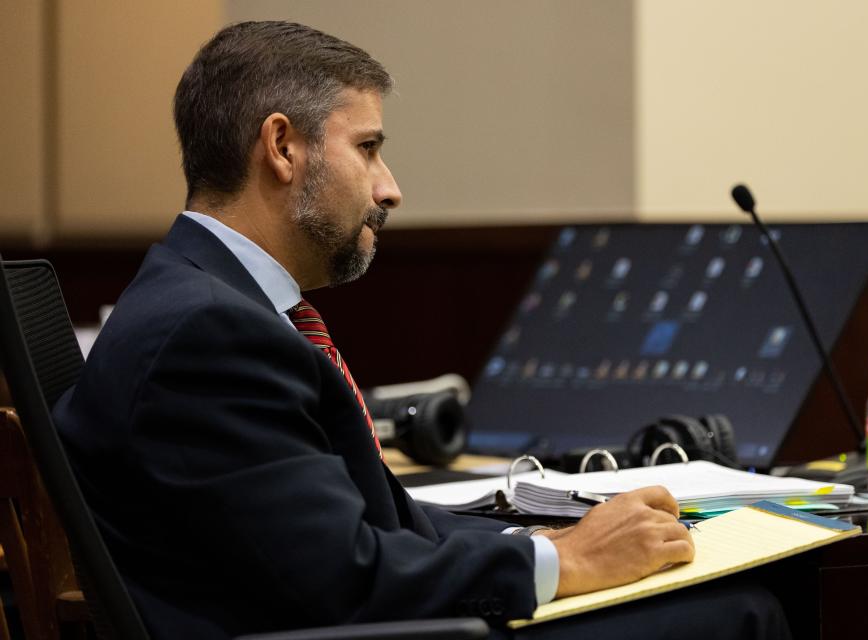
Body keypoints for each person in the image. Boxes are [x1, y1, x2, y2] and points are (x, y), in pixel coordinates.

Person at [53, 21, 790, 639]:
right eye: (368, 148)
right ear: (281, 148)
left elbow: (377, 527)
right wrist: (565, 564)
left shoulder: (204, 299)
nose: (390, 187)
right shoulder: (207, 332)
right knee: (744, 614)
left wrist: (551, 541)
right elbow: (346, 579)